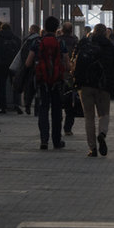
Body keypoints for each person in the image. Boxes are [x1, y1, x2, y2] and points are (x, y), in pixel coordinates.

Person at [73, 27, 114, 157]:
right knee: (104, 114)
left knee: (89, 117)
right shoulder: (110, 46)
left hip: (85, 86)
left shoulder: (84, 44)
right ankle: (102, 134)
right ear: (106, 33)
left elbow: (74, 61)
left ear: (93, 32)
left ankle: (92, 149)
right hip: (104, 85)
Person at [25, 16, 68, 150]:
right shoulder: (61, 42)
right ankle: (56, 141)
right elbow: (67, 65)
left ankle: (44, 140)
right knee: (56, 111)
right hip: (57, 82)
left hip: (42, 81)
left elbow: (28, 62)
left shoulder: (37, 42)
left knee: (43, 110)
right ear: (57, 28)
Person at [58, 22, 79, 136]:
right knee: (70, 102)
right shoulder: (75, 41)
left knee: (58, 101)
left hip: (57, 74)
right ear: (71, 30)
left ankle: (57, 127)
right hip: (70, 75)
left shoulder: (58, 40)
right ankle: (67, 128)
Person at [0, 23, 22, 114]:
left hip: (1, 66)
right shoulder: (17, 39)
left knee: (1, 86)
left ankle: (2, 106)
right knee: (15, 85)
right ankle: (16, 104)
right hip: (13, 65)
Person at [19, 24, 41, 115]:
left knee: (28, 87)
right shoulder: (40, 40)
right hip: (38, 66)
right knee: (37, 88)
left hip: (29, 66)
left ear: (31, 30)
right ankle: (37, 108)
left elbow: (22, 53)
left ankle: (27, 105)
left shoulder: (27, 40)